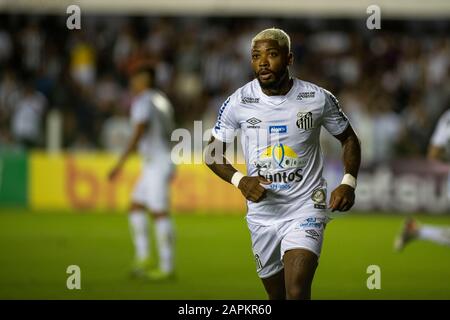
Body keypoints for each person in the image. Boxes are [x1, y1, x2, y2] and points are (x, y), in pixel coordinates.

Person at [205, 28, 361, 300]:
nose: (262, 62)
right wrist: (241, 181)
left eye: (271, 55)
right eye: (256, 56)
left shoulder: (316, 98)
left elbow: (348, 138)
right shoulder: (238, 102)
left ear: (289, 59)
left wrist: (348, 182)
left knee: (297, 291)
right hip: (262, 214)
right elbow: (211, 152)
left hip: (306, 207)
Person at [108, 66, 176, 280]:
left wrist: (119, 164)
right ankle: (144, 256)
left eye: (135, 78)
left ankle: (166, 267)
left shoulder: (143, 102)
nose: (132, 82)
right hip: (160, 160)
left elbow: (138, 132)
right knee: (136, 206)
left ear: (143, 80)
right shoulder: (161, 100)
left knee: (159, 212)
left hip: (156, 162)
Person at [395, 109, 450, 251]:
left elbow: (433, 153)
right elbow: (433, 154)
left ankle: (417, 230)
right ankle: (417, 230)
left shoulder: (447, 117)